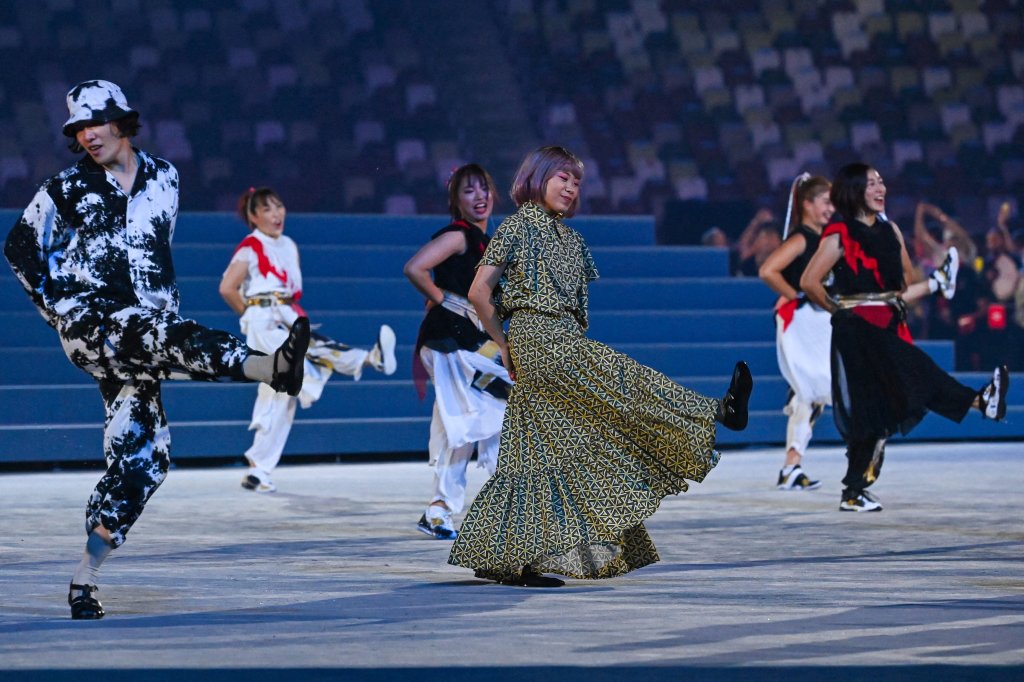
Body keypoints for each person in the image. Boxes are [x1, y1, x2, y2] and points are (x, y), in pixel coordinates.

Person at [3, 80, 310, 620]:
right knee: (162, 336)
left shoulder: (166, 178)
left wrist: (154, 305)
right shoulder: (65, 188)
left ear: (122, 121)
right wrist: (60, 309)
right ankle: (268, 367)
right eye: (78, 129)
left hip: (147, 325)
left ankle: (84, 577)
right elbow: (20, 248)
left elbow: (154, 251)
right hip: (95, 323)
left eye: (95, 123)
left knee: (145, 459)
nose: (87, 135)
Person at [448, 146, 753, 587]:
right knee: (620, 379)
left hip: (563, 338)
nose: (571, 188)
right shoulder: (517, 226)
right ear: (536, 178)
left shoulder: (572, 240)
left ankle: (504, 556)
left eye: (576, 182)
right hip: (538, 337)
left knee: (534, 454)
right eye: (562, 179)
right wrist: (506, 342)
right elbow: (479, 292)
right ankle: (715, 411)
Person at [800, 163, 1009, 513]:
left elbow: (902, 283)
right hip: (856, 326)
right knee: (916, 370)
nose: (880, 187)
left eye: (881, 181)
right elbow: (809, 281)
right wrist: (839, 311)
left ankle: (853, 491)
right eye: (871, 183)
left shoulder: (890, 230)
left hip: (888, 320)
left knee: (875, 410)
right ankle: (979, 402)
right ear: (854, 190)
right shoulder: (840, 232)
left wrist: (919, 285)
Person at [759, 174, 959, 492]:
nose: (831, 207)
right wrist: (794, 293)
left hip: (821, 319)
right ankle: (935, 284)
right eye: (825, 201)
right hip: (806, 322)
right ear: (808, 204)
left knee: (809, 397)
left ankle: (792, 467)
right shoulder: (802, 238)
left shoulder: (829, 238)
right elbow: (768, 270)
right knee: (826, 389)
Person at [220, 187, 397, 493]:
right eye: (266, 209)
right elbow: (227, 288)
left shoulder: (288, 244)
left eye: (279, 206)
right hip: (264, 320)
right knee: (306, 353)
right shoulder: (250, 246)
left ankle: (259, 470)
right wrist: (250, 315)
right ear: (252, 216)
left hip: (287, 314)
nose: (276, 214)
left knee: (280, 394)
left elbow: (291, 289)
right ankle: (368, 359)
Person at [403, 164, 511, 539]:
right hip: (449, 342)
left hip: (469, 342)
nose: (479, 197)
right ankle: (506, 508)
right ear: (456, 200)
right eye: (469, 191)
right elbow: (415, 268)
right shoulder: (459, 236)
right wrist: (442, 300)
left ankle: (440, 510)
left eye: (484, 188)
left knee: (468, 420)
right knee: (490, 411)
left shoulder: (488, 242)